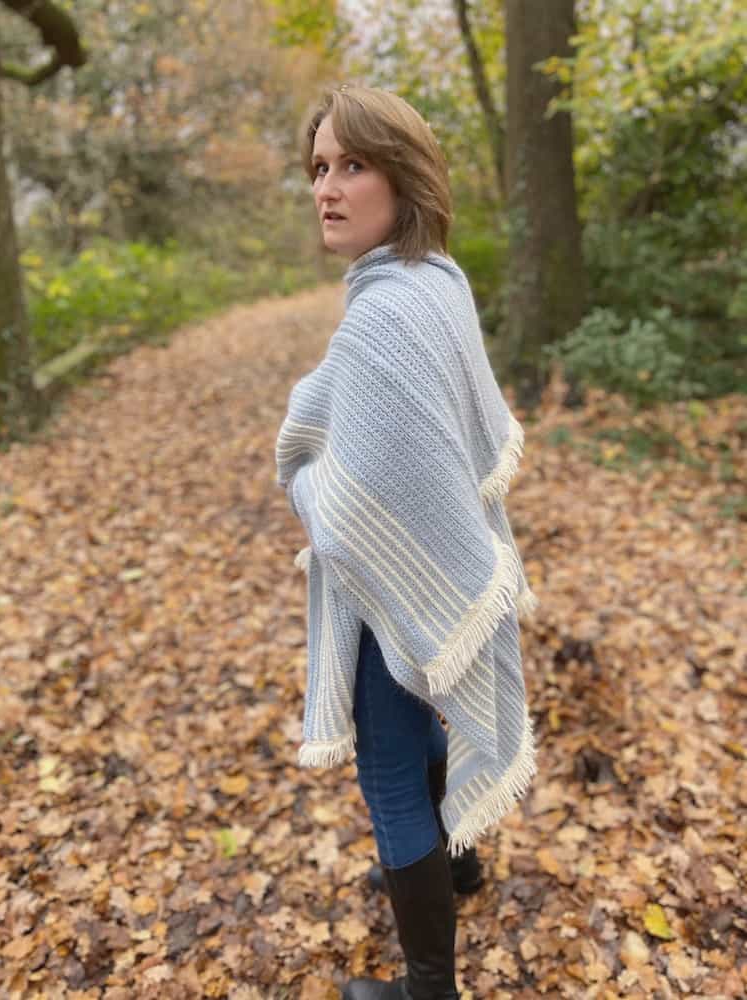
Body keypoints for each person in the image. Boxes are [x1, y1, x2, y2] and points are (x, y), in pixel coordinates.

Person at [275, 85, 538, 1000]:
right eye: (318, 168)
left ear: (403, 173)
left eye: (353, 164)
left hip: (385, 580)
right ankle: (455, 863)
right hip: (437, 565)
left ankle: (429, 984)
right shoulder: (437, 281)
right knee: (427, 704)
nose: (328, 188)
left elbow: (347, 506)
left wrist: (306, 471)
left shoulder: (385, 313)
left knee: (388, 773)